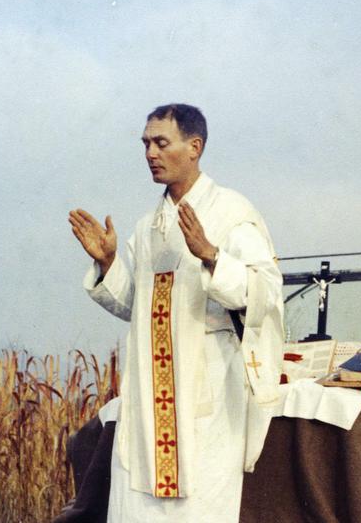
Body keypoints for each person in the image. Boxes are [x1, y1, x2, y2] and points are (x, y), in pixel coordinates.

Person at [69, 103, 284, 522]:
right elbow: (137, 308)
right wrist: (111, 262)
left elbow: (266, 293)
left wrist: (212, 256)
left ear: (194, 147)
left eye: (161, 143)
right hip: (148, 396)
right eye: (146, 143)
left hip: (208, 393)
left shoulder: (232, 214)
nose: (150, 153)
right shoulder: (149, 227)